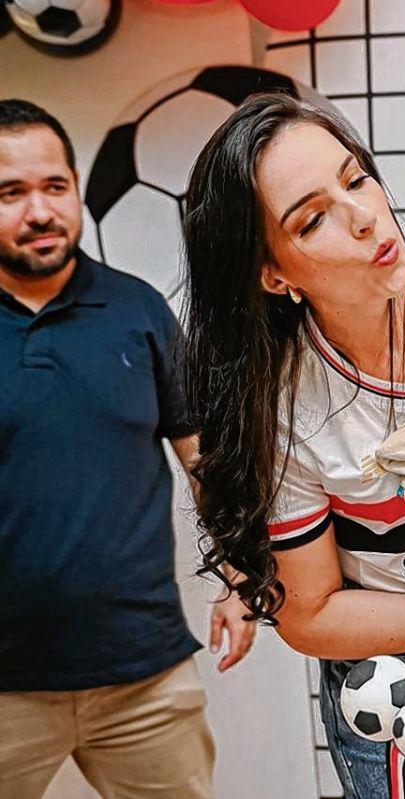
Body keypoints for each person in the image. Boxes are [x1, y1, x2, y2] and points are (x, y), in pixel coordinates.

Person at [181, 93, 405, 799]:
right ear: (274, 274)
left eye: (356, 179)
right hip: (395, 675)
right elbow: (311, 614)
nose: (364, 216)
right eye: (312, 218)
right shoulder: (282, 407)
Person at [0, 99, 254, 799]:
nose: (40, 211)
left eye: (54, 186)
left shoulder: (137, 311)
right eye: (10, 193)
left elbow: (202, 462)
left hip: (144, 676)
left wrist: (240, 575)